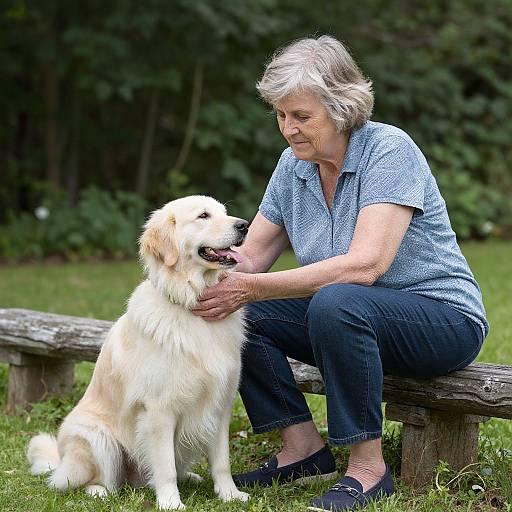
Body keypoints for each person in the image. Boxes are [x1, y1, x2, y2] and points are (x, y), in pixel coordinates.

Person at [192, 35, 488, 512]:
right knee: (244, 317)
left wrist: (252, 288)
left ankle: (368, 469)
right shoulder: (294, 166)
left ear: (342, 107)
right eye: (281, 115)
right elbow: (250, 258)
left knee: (336, 299)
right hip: (352, 319)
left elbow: (366, 265)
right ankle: (303, 450)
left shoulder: (389, 150)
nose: (288, 129)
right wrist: (191, 267)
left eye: (301, 116)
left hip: (440, 320)